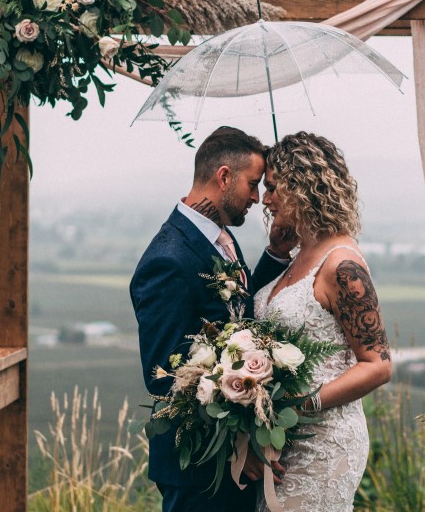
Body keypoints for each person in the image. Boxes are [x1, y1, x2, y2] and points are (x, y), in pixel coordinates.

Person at [130, 126, 295, 512]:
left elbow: (237, 313)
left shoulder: (217, 235)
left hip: (228, 467)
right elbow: (166, 376)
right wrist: (237, 449)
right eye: (253, 185)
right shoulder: (167, 260)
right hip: (198, 468)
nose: (257, 198)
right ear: (224, 177)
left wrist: (275, 254)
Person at [253, 131, 393, 512]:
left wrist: (302, 406)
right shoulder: (297, 253)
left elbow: (378, 365)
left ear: (301, 185)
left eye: (273, 188)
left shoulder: (342, 264)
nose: (265, 199)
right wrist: (276, 253)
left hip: (325, 441)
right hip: (282, 440)